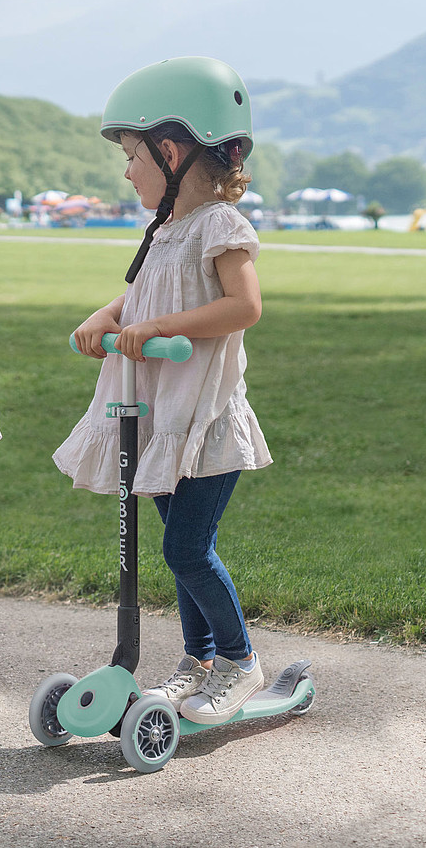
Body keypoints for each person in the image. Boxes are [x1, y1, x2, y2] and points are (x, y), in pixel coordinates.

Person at [54, 56, 272, 727]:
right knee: (177, 549)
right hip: (159, 415)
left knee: (185, 549)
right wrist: (108, 316)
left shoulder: (220, 227)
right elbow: (146, 292)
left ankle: (239, 663)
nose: (126, 171)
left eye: (132, 155)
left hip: (203, 418)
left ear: (171, 152)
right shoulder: (165, 232)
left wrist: (157, 327)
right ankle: (196, 662)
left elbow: (243, 306)